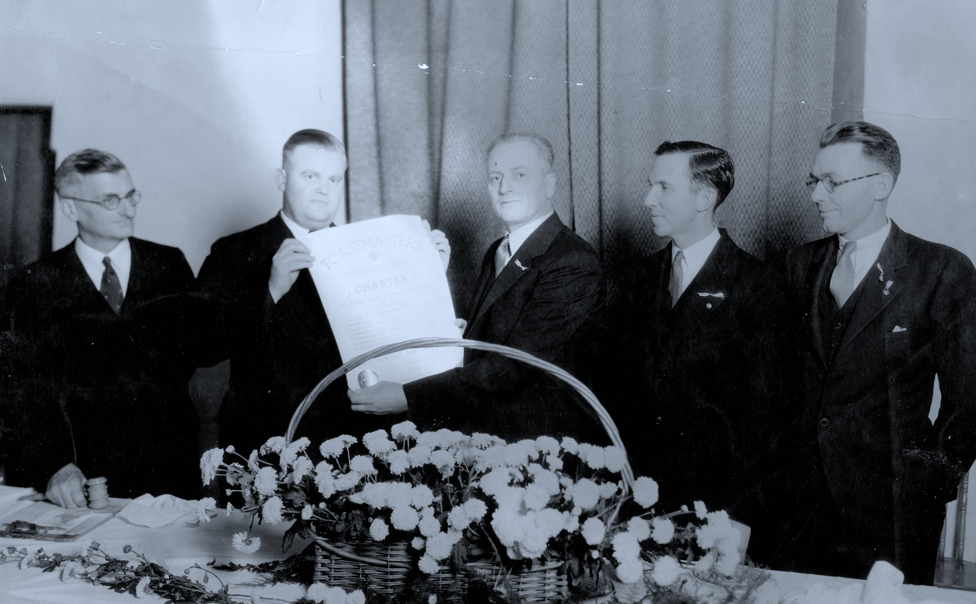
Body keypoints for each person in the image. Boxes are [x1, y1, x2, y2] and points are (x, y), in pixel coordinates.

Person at [783, 121, 976, 584]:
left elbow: (974, 405)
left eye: (832, 182)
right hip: (799, 512)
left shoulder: (942, 270)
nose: (817, 195)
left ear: (881, 184)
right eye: (813, 181)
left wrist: (920, 489)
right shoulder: (798, 265)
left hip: (894, 522)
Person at [196, 129, 451, 455]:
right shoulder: (232, 251)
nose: (323, 190)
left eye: (334, 180)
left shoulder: (367, 251)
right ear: (281, 179)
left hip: (349, 443)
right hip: (265, 440)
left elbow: (395, 343)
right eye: (310, 175)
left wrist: (427, 276)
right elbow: (203, 344)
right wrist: (271, 289)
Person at [607, 141, 797, 563]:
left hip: (717, 511)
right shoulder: (633, 281)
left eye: (663, 187)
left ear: (705, 198)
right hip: (634, 504)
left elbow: (769, 419)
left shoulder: (759, 286)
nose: (647, 199)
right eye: (649, 186)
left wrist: (741, 514)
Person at [348, 133, 603, 441]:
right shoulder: (497, 250)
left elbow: (515, 366)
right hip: (488, 435)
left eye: (519, 175)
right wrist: (431, 284)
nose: (504, 187)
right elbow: (486, 338)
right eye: (495, 176)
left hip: (536, 444)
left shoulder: (572, 260)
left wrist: (408, 396)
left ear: (549, 184)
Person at [1, 149, 201, 506]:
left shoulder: (169, 264)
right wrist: (54, 464)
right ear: (70, 208)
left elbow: (192, 357)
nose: (128, 209)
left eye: (130, 195)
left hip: (169, 470)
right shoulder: (33, 283)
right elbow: (19, 391)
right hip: (83, 479)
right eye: (110, 200)